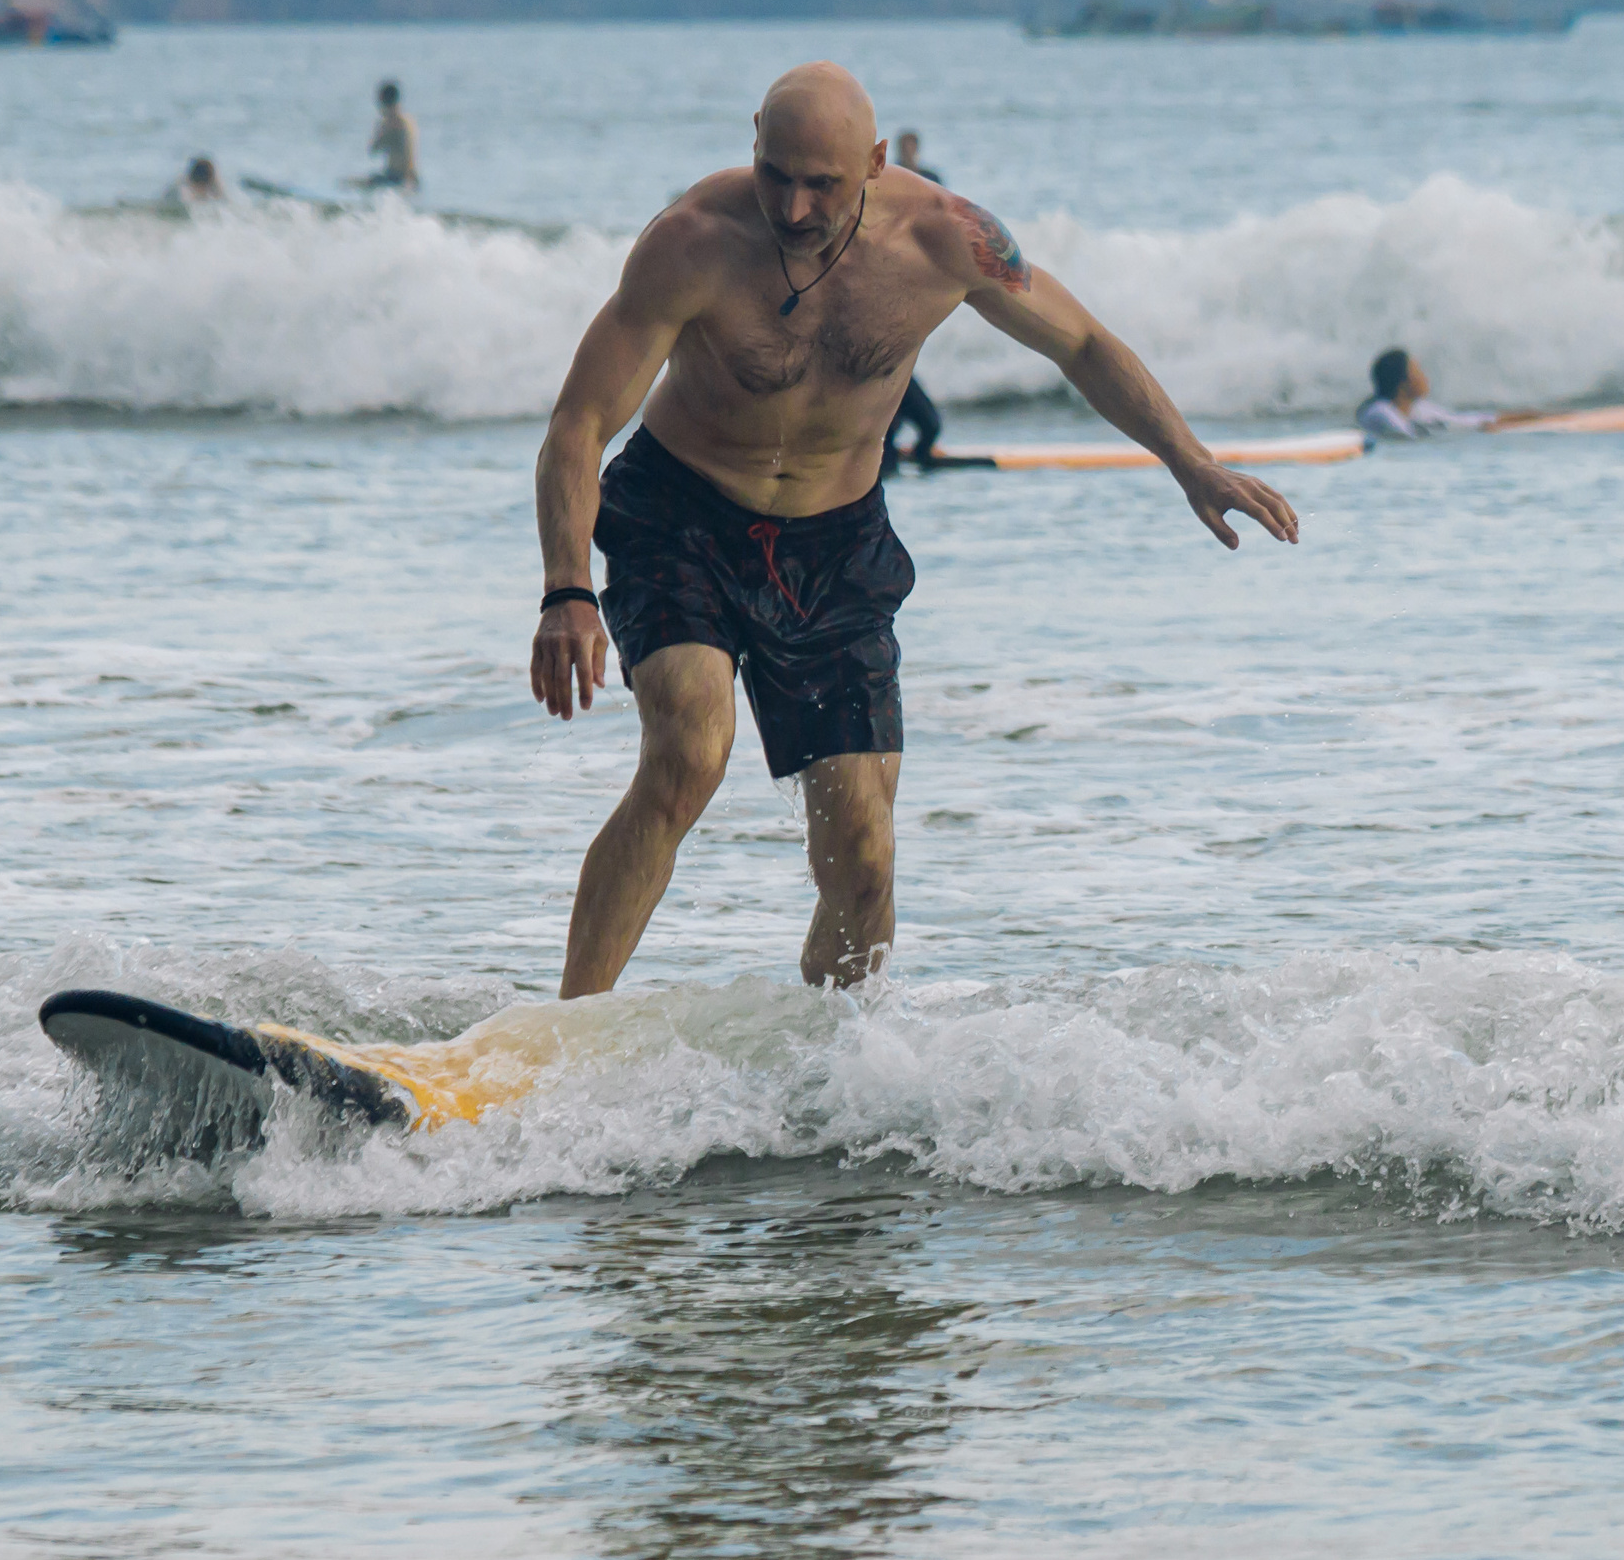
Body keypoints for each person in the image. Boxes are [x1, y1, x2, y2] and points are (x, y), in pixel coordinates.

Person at [529, 61, 1297, 999]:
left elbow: (1084, 344)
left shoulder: (946, 240)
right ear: (752, 146)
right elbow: (578, 423)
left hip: (835, 543)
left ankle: (832, 1067)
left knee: (864, 852)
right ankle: (563, 1035)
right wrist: (566, 590)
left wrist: (1190, 460)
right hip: (682, 513)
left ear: (878, 163)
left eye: (825, 183)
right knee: (690, 749)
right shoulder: (692, 242)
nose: (798, 207)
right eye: (777, 175)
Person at [885, 131, 946, 465]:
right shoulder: (887, 177)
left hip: (897, 365)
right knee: (888, 441)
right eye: (903, 147)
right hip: (886, 370)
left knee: (930, 426)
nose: (907, 152)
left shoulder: (930, 179)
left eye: (911, 147)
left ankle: (920, 465)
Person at [1358, 347, 1496, 441]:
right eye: (1418, 372)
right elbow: (1408, 437)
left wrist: (1514, 419)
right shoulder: (1379, 411)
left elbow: (1463, 420)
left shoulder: (1418, 408)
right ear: (1403, 383)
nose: (1425, 378)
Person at [366, 80, 419, 192]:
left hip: (401, 178)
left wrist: (382, 129)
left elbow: (374, 149)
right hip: (398, 176)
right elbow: (374, 150)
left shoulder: (399, 123)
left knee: (357, 185)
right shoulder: (401, 122)